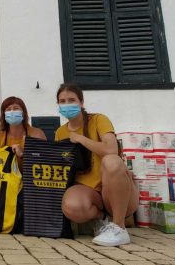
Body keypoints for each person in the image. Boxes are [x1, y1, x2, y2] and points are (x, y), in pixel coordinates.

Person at [55, 84, 138, 246]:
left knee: (111, 160)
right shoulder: (60, 132)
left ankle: (119, 227)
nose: (67, 105)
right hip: (90, 194)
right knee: (70, 206)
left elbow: (111, 149)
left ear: (81, 102)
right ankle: (104, 221)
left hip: (120, 194)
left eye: (72, 100)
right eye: (62, 101)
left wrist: (81, 139)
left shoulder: (99, 120)